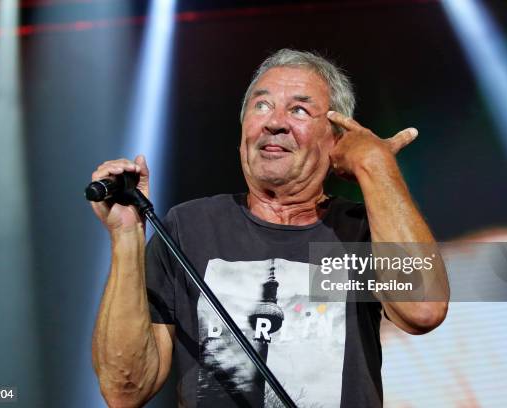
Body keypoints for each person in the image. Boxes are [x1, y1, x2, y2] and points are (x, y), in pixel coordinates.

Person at [90, 49, 449, 408]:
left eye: (299, 110)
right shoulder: (189, 226)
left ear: (335, 140)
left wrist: (375, 163)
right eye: (261, 106)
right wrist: (126, 236)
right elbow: (125, 390)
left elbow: (423, 310)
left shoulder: (359, 232)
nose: (274, 122)